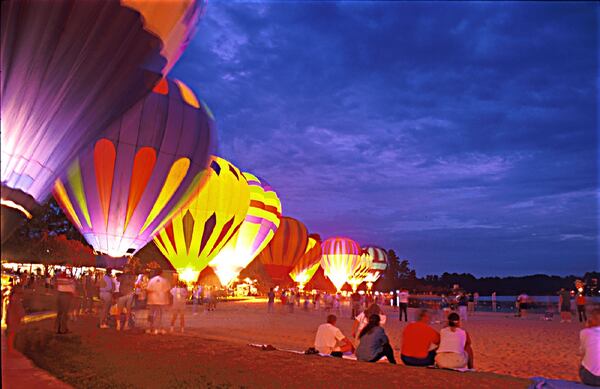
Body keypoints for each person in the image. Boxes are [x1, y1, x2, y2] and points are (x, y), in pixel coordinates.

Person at [579, 308, 600, 386]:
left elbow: (582, 352)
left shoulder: (585, 332)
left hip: (589, 377)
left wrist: (588, 327)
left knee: (584, 358)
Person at [145, 269, 171, 335]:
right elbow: (168, 290)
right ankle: (159, 329)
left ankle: (149, 328)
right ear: (161, 273)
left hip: (152, 300)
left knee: (151, 314)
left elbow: (147, 289)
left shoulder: (151, 280)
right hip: (162, 300)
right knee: (161, 315)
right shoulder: (165, 281)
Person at [5, 285, 25, 353]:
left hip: (11, 317)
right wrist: (22, 316)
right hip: (13, 318)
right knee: (12, 334)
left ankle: (10, 348)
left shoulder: (13, 297)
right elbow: (18, 308)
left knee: (11, 334)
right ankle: (10, 349)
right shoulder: (15, 298)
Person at [55, 269, 76, 334]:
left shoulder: (59, 277)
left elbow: (56, 285)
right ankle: (63, 329)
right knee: (64, 313)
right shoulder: (69, 278)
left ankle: (58, 328)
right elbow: (72, 287)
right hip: (66, 295)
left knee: (60, 312)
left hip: (60, 294)